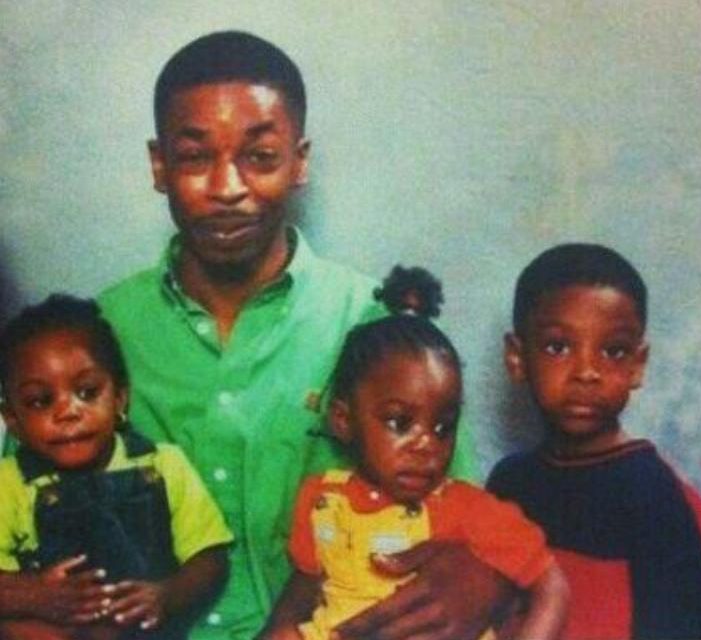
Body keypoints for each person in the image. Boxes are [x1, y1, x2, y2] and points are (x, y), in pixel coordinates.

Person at [97, 31, 504, 639]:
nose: (227, 187)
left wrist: (485, 575)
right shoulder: (96, 337)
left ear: (300, 160)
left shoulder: (377, 326)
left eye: (260, 157)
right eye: (195, 156)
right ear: (159, 166)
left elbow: (463, 525)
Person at [259, 266, 569, 640]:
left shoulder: (465, 509)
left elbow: (551, 585)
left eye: (443, 427)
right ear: (343, 420)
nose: (426, 444)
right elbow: (310, 581)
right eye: (399, 422)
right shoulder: (321, 499)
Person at [486, 243, 701, 640]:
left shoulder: (664, 507)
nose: (587, 372)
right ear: (517, 358)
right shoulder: (509, 484)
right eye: (558, 347)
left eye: (613, 350)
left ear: (637, 366)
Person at [0, 295, 232, 640]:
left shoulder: (162, 463)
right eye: (40, 401)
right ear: (13, 420)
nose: (68, 412)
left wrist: (166, 596)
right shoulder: (9, 483)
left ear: (120, 398)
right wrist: (35, 594)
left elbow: (210, 558)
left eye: (87, 392)